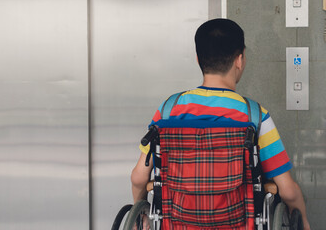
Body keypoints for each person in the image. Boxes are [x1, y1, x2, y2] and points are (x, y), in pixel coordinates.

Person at [131, 18, 311, 230]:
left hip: (178, 223)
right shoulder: (254, 116)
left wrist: (140, 217)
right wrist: (305, 223)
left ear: (198, 59)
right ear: (240, 60)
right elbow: (288, 190)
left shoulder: (168, 109)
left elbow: (138, 177)